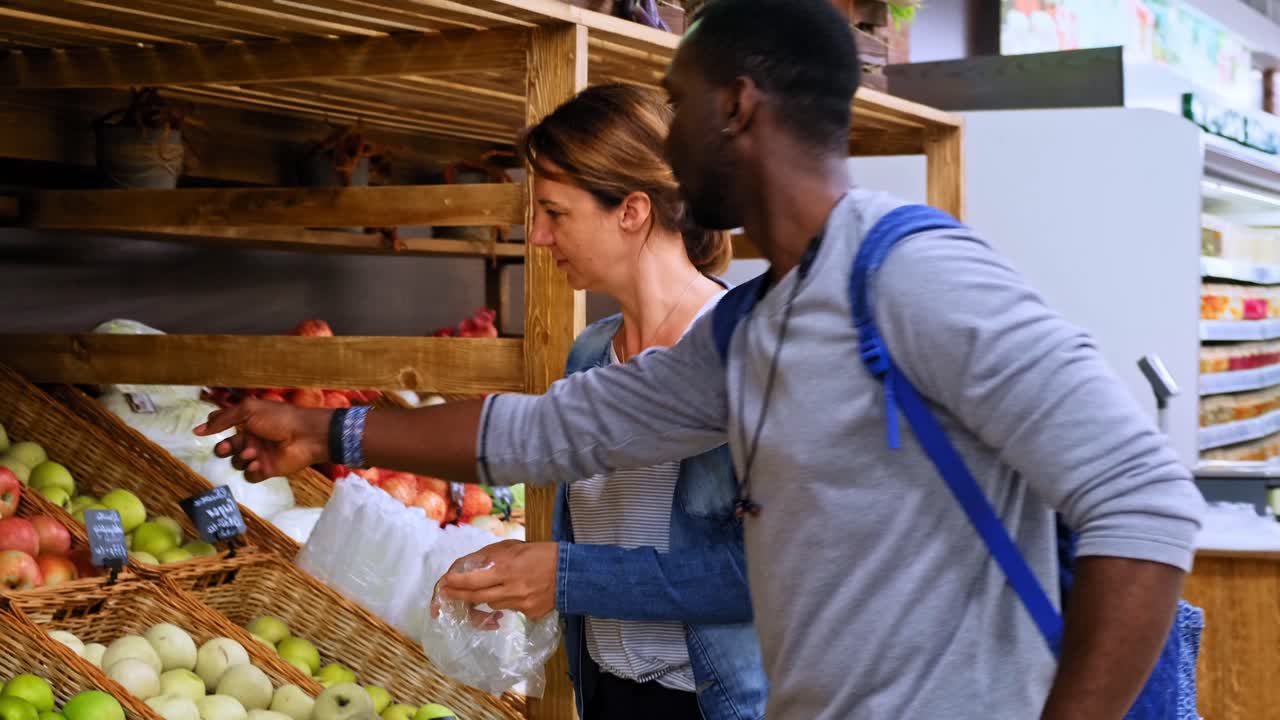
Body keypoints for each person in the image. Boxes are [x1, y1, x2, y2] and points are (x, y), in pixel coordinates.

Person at [196, 0, 1206, 717]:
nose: (666, 149)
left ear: (733, 107)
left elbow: (1142, 499)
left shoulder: (910, 276)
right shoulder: (758, 325)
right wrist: (328, 428)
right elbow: (555, 431)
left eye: (673, 108)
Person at [437, 83, 766, 720]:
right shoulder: (590, 353)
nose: (536, 237)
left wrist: (565, 575)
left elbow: (760, 577)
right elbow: (591, 544)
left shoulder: (743, 349)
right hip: (609, 697)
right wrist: (506, 578)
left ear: (632, 210)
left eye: (554, 212)